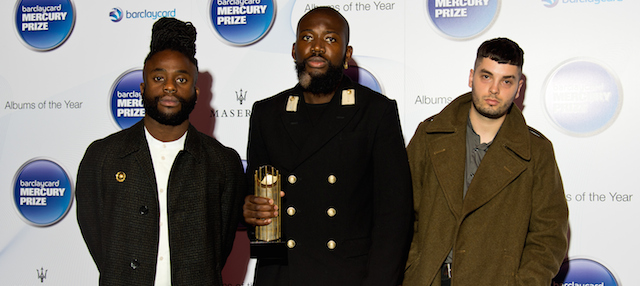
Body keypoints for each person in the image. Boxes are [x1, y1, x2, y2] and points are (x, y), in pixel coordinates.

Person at [242, 6, 413, 286]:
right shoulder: (267, 113)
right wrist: (248, 211)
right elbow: (256, 197)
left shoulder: (375, 112)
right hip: (282, 276)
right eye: (308, 38)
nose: (317, 47)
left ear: (347, 54)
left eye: (331, 39)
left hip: (348, 277)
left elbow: (394, 217)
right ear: (295, 50)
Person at [75, 17, 244, 285]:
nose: (169, 87)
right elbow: (97, 236)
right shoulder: (103, 157)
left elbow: (219, 246)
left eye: (181, 78)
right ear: (142, 88)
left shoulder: (222, 162)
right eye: (158, 77)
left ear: (196, 91)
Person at [403, 38, 569, 286]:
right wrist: (412, 268)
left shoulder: (537, 151)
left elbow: (549, 234)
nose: (494, 89)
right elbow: (401, 214)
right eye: (486, 77)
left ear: (519, 87)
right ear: (471, 77)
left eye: (506, 81)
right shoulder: (429, 135)